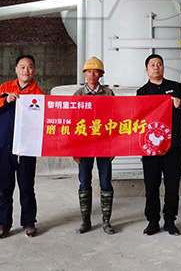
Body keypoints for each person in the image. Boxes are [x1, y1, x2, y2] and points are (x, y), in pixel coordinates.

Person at [136, 53, 181, 236]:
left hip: (173, 146)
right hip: (151, 148)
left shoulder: (176, 88)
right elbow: (137, 119)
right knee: (151, 185)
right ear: (147, 70)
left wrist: (180, 104)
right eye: (152, 65)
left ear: (163, 67)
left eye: (159, 64)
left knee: (172, 185)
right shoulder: (142, 93)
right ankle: (152, 221)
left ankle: (170, 220)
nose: (156, 67)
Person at [0, 54, 44, 239]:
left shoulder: (38, 95)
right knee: (4, 187)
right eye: (22, 67)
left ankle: (28, 222)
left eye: (30, 67)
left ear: (34, 70)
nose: (26, 70)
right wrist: (6, 100)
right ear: (16, 70)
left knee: (27, 186)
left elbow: (42, 122)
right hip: (4, 146)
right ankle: (3, 223)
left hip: (26, 148)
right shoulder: (5, 88)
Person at [72, 56, 116, 234]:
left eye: (96, 71)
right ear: (84, 73)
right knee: (84, 182)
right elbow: (73, 123)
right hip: (84, 145)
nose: (92, 75)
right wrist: (74, 149)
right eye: (89, 71)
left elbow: (115, 119)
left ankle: (106, 221)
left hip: (104, 144)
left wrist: (114, 147)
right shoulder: (78, 95)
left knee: (106, 182)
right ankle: (85, 221)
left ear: (101, 74)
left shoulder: (108, 93)